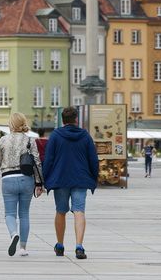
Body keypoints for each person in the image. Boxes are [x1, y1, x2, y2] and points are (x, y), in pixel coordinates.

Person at [43, 106, 99, 260]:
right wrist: (94, 178)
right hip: (80, 179)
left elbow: (48, 159)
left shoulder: (55, 135)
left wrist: (44, 179)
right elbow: (93, 159)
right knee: (79, 211)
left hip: (60, 179)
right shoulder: (85, 136)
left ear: (63, 120)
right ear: (76, 119)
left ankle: (60, 245)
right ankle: (79, 246)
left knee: (61, 211)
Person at [0, 112, 43, 257]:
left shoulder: (3, 140)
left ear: (11, 124)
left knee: (10, 214)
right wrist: (39, 183)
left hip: (8, 179)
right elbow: (37, 162)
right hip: (26, 179)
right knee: (24, 214)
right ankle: (23, 248)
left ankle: (14, 234)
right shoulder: (30, 140)